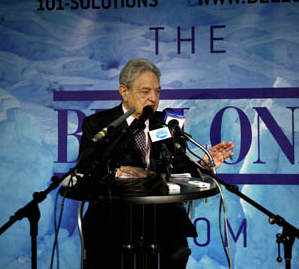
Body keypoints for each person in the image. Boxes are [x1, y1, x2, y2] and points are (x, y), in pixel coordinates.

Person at [78, 58, 234, 268]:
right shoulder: (99, 125)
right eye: (145, 91)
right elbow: (86, 170)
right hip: (114, 216)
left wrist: (204, 164)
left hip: (161, 217)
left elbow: (180, 166)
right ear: (124, 91)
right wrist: (117, 172)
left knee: (175, 252)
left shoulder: (165, 124)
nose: (153, 98)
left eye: (158, 91)